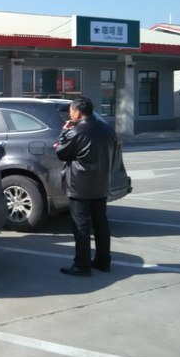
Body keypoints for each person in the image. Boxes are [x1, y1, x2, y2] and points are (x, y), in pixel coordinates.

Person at [54, 97, 118, 276]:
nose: (70, 114)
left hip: (80, 186)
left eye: (71, 111)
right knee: (100, 224)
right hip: (101, 183)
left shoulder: (76, 131)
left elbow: (61, 152)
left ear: (78, 112)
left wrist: (64, 131)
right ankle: (103, 261)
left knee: (81, 226)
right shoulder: (106, 128)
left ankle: (82, 265)